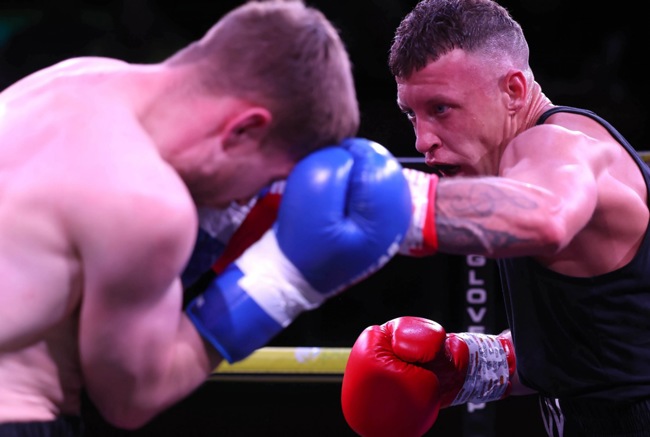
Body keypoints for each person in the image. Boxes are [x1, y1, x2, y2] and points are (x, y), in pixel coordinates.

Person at [0, 0, 414, 435]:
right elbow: (130, 398)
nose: (247, 200)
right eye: (270, 180)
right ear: (245, 129)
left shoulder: (73, 77)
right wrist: (285, 280)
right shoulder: (147, 202)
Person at [340, 0, 650, 436]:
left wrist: (384, 202)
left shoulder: (557, 145)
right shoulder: (518, 172)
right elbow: (610, 344)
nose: (422, 140)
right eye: (412, 114)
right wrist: (474, 365)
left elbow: (546, 217)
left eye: (441, 108)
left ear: (514, 91)